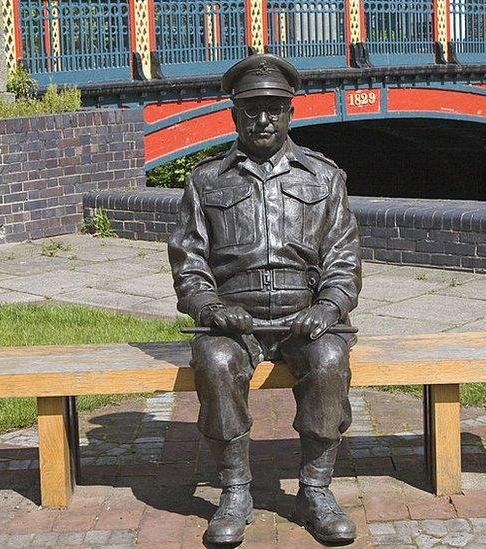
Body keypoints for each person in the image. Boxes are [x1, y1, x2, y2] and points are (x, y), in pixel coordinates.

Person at [167, 53, 362, 545]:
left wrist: (327, 308)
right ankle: (235, 490)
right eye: (251, 109)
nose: (263, 119)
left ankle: (315, 489)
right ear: (234, 114)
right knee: (213, 359)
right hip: (236, 323)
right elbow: (189, 264)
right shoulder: (205, 181)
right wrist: (211, 309)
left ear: (290, 113)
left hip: (306, 319)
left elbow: (344, 261)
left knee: (331, 357)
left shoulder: (324, 178)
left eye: (274, 107)